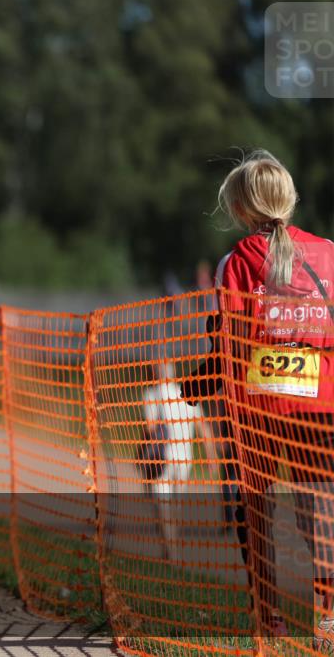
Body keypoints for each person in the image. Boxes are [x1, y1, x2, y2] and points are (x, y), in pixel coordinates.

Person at [182, 150, 334, 645]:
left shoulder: (236, 262)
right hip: (320, 403)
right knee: (319, 513)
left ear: (241, 209)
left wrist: (196, 386)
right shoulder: (330, 253)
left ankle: (270, 622)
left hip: (258, 409)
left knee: (257, 513)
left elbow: (229, 343)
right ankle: (328, 624)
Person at [137, 362, 216, 562]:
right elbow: (203, 427)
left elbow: (150, 429)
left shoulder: (152, 394)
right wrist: (211, 456)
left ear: (154, 373)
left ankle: (171, 552)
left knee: (162, 505)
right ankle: (173, 548)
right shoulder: (186, 392)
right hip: (185, 459)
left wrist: (139, 453)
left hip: (162, 458)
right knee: (175, 505)